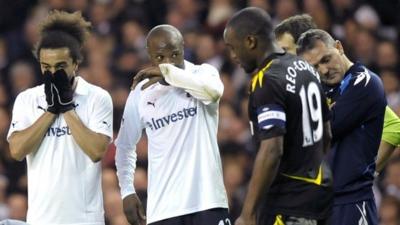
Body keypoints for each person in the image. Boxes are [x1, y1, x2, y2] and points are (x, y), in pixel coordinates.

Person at [224, 7, 333, 225]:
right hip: (320, 196)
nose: (233, 56)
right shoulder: (305, 67)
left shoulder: (267, 80)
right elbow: (327, 134)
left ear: (250, 42)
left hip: (288, 202)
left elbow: (272, 149)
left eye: (233, 48)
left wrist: (248, 213)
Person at [115, 24, 229, 225]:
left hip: (208, 202)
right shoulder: (141, 92)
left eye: (174, 54)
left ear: (183, 48)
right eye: (160, 58)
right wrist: (127, 191)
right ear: (149, 55)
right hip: (164, 210)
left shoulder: (203, 73)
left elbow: (213, 93)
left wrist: (169, 74)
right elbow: (124, 146)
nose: (168, 62)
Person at [6, 10, 113, 225]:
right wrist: (51, 111)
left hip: (85, 220)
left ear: (76, 63)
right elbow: (17, 150)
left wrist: (67, 109)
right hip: (41, 219)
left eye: (61, 66)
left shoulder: (97, 98)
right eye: (47, 67)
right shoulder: (27, 99)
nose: (53, 74)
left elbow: (96, 151)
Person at [275, 14, 400, 174]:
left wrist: (367, 175)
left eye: (285, 51)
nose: (280, 59)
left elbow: (393, 128)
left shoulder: (349, 85)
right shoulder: (311, 86)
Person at [297, 29, 387, 225]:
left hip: (351, 203)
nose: (323, 70)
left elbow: (324, 129)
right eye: (314, 67)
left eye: (326, 59)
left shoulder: (366, 83)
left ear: (339, 46)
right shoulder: (322, 88)